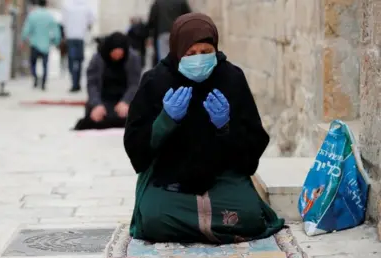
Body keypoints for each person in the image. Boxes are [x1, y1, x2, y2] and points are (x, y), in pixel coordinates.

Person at [123, 13, 285, 244]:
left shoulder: (231, 78)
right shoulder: (155, 81)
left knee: (249, 217)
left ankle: (188, 226)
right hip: (169, 180)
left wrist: (225, 127)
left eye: (206, 53)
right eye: (190, 54)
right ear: (178, 51)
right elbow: (136, 149)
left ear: (215, 49)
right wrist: (165, 121)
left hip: (223, 176)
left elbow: (253, 147)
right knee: (153, 220)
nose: (198, 59)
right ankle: (211, 227)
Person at [73, 32, 142, 130]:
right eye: (115, 54)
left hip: (124, 101)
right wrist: (97, 104)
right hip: (103, 100)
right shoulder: (98, 58)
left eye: (120, 54)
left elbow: (134, 84)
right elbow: (92, 84)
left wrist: (126, 102)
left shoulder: (133, 58)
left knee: (133, 119)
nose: (117, 57)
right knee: (95, 118)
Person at [21, 0, 61, 90]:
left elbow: (26, 29)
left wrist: (23, 39)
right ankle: (43, 83)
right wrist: (56, 41)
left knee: (33, 63)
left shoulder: (33, 15)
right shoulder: (50, 16)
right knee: (45, 65)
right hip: (45, 45)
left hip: (34, 43)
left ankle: (35, 78)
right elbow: (56, 31)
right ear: (46, 4)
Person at [62, 0, 95, 92]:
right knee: (79, 61)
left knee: (72, 61)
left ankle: (74, 82)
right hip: (80, 37)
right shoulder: (86, 6)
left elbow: (63, 21)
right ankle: (77, 83)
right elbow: (91, 20)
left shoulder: (67, 5)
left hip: (71, 37)